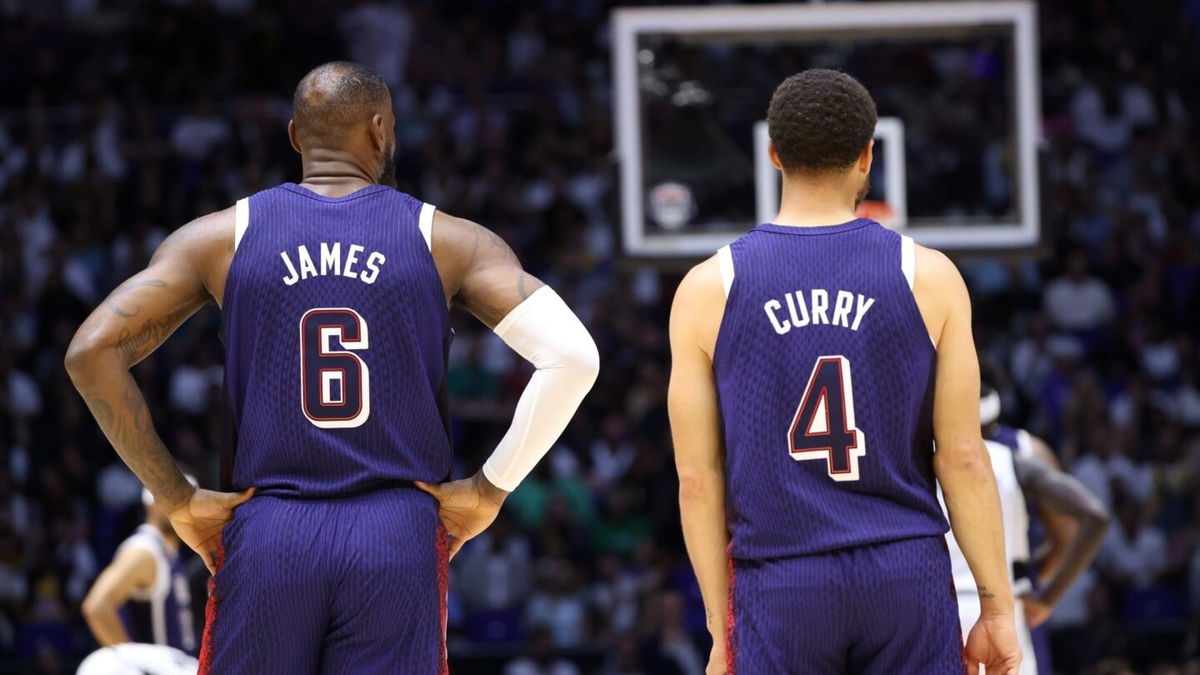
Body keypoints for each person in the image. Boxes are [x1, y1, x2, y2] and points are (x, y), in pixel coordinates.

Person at [65, 61, 599, 673]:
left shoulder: (219, 238)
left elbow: (90, 352)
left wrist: (176, 497)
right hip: (396, 532)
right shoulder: (449, 241)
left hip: (268, 530)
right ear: (381, 131)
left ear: (295, 136)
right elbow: (574, 357)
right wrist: (489, 489)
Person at [667, 69, 1021, 674]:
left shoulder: (707, 289)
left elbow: (699, 480)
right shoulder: (929, 275)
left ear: (773, 154)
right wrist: (995, 606)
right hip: (904, 570)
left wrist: (720, 625)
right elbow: (962, 456)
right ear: (868, 155)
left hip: (780, 577)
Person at [946, 387, 1110, 675]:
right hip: (1004, 610)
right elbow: (1094, 516)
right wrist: (1048, 598)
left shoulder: (919, 459)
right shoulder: (1015, 460)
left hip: (939, 609)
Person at [77, 477, 202, 675]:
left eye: (188, 501)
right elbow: (97, 606)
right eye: (174, 499)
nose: (183, 507)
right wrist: (134, 666)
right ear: (151, 504)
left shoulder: (170, 553)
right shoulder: (145, 550)